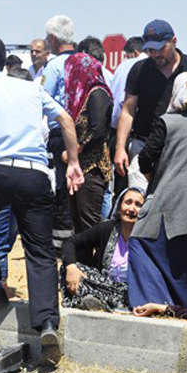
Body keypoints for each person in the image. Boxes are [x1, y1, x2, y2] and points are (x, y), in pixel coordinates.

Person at [0, 32, 84, 366]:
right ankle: (48, 323)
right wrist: (74, 162)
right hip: (36, 174)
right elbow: (66, 119)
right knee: (38, 250)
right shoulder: (30, 87)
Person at [126, 72, 187, 308]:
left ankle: (153, 303)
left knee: (140, 243)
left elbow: (145, 159)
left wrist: (157, 180)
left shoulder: (167, 122)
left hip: (172, 207)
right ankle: (186, 310)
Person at [114, 19, 187, 191]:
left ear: (174, 42)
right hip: (143, 146)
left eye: (161, 48)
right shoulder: (139, 70)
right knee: (139, 204)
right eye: (150, 50)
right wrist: (120, 148)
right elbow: (128, 111)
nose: (155, 54)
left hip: (181, 149)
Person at [61, 187, 144, 311]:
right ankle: (97, 303)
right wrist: (71, 267)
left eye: (138, 205)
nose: (131, 209)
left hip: (134, 292)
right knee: (68, 268)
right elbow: (70, 242)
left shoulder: (147, 235)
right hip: (105, 286)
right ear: (119, 205)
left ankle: (101, 303)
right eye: (128, 202)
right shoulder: (107, 228)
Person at [63, 52, 113, 235]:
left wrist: (74, 150)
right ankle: (81, 262)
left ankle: (96, 263)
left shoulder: (97, 92)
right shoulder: (81, 95)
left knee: (89, 224)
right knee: (78, 224)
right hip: (78, 167)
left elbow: (97, 131)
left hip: (92, 167)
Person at [42, 14, 78, 253]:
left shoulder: (54, 66)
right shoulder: (90, 63)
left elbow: (41, 100)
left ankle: (61, 246)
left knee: (62, 190)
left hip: (60, 136)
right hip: (86, 136)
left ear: (53, 39)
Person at [108, 36, 146, 200]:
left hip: (119, 135)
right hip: (143, 137)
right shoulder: (155, 67)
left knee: (122, 191)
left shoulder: (123, 67)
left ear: (134, 52)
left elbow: (116, 103)